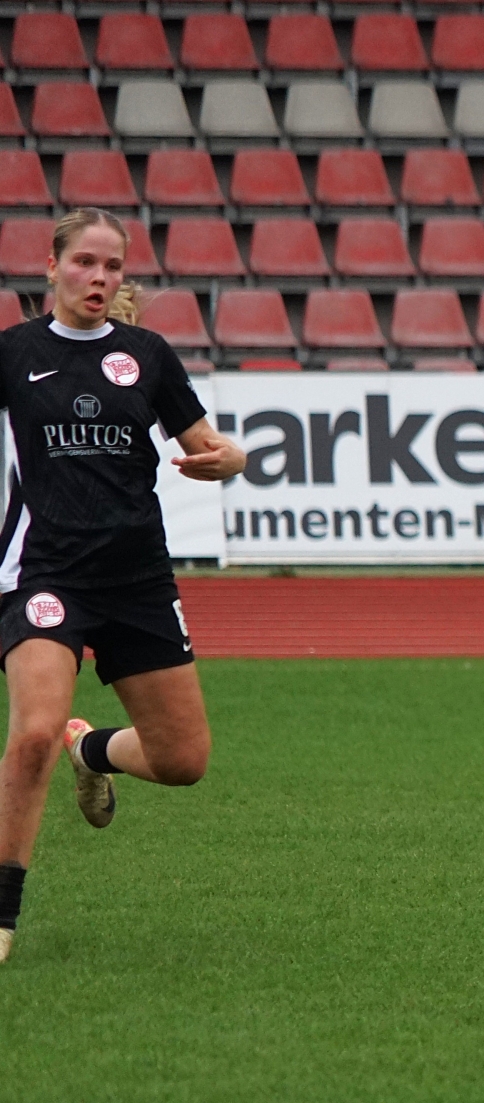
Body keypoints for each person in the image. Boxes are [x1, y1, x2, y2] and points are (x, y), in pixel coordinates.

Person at [0, 208, 245, 963]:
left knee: (183, 760)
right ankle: (1, 916)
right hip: (44, 571)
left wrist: (229, 460)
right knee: (32, 732)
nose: (98, 277)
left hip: (137, 577)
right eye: (84, 263)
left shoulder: (147, 355)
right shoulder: (14, 353)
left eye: (112, 266)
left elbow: (209, 446)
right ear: (52, 267)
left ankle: (94, 751)